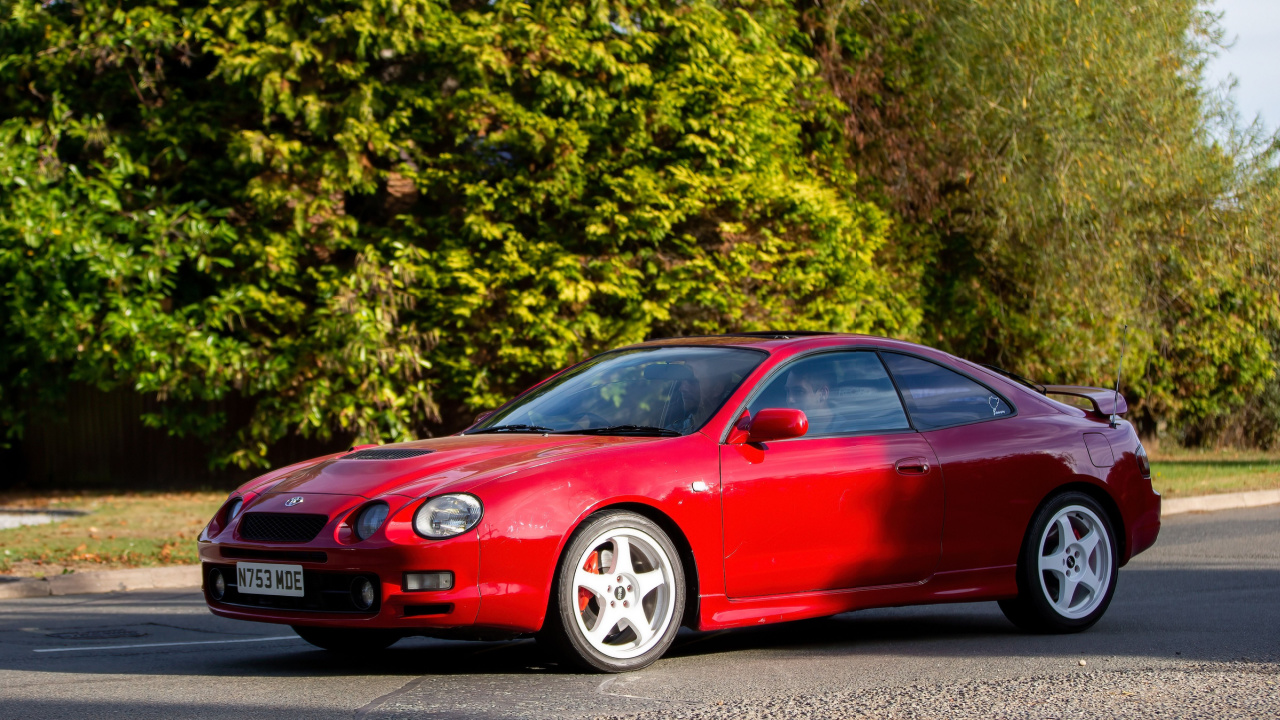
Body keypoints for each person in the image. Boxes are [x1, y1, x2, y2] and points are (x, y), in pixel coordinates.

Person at [784, 363, 835, 435]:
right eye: (787, 391)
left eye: (799, 392)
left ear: (822, 394)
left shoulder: (846, 430)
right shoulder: (787, 430)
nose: (789, 399)